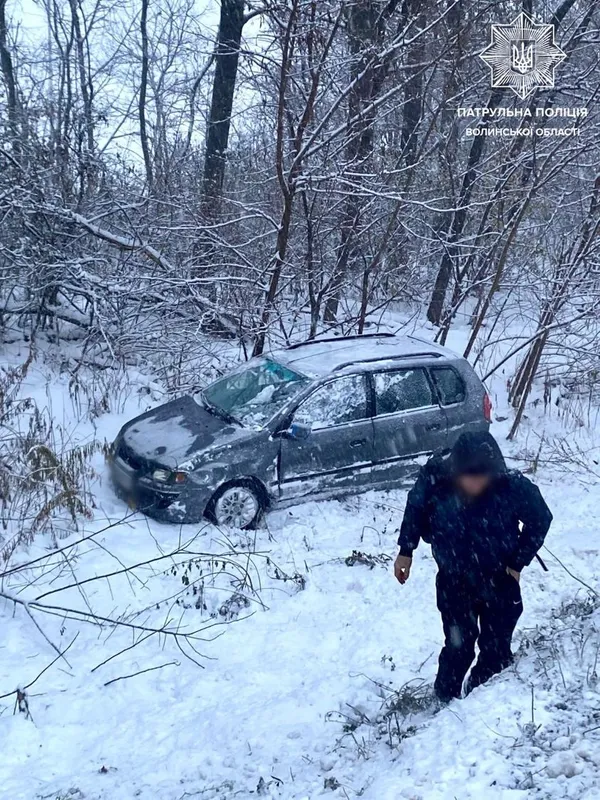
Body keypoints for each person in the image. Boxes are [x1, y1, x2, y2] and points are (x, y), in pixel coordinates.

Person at [394, 431, 552, 703]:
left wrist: (517, 563)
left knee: (496, 649)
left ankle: (480, 699)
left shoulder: (512, 486)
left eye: (482, 476)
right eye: (469, 476)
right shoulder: (436, 480)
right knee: (459, 647)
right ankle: (445, 700)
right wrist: (406, 550)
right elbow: (415, 510)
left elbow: (541, 518)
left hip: (500, 578)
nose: (476, 483)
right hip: (454, 581)